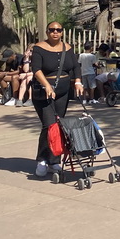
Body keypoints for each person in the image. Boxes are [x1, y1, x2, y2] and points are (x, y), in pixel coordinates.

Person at [30, 22, 83, 178]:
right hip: (44, 91)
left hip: (63, 91)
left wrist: (78, 81)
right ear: (47, 32)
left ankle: (54, 160)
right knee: (49, 125)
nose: (55, 32)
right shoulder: (39, 48)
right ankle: (42, 160)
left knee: (59, 125)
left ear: (62, 32)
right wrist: (46, 85)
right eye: (52, 30)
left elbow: (75, 67)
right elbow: (36, 69)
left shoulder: (67, 47)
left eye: (58, 30)